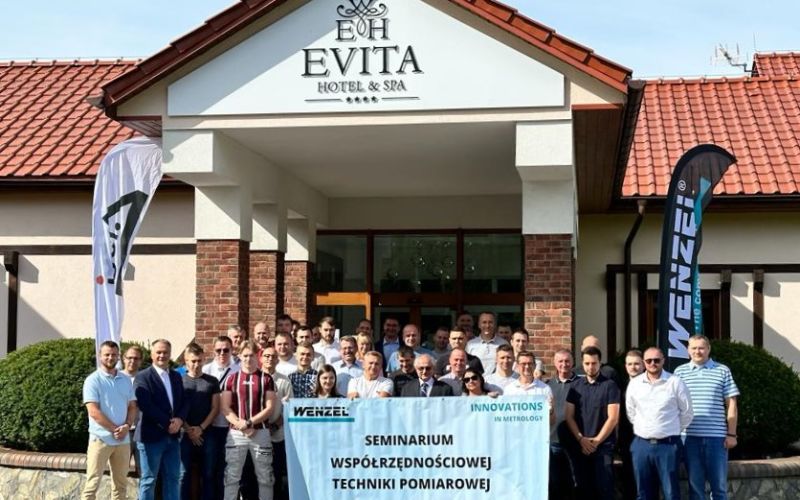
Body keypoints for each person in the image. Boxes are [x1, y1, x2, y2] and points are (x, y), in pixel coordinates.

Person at [674, 334, 740, 500]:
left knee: (719, 489)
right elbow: (673, 405)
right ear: (688, 350)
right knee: (695, 489)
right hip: (689, 438)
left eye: (701, 348)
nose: (698, 351)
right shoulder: (679, 372)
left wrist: (732, 434)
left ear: (708, 349)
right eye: (694, 348)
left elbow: (731, 404)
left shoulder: (722, 370)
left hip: (716, 439)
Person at [626, 347, 693, 500]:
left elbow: (687, 413)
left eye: (656, 360)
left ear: (663, 361)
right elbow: (631, 413)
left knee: (671, 493)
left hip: (668, 446)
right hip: (641, 445)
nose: (653, 363)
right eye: (649, 360)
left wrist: (670, 429)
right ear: (644, 362)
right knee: (643, 493)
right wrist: (647, 428)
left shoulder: (675, 382)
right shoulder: (635, 384)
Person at [221, 341, 277, 500]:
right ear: (239, 356)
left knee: (265, 477)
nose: (248, 359)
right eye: (245, 355)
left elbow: (269, 407)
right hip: (236, 433)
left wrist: (249, 423)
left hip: (261, 432)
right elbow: (225, 407)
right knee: (231, 476)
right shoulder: (231, 379)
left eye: (251, 355)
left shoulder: (266, 379)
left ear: (257, 356)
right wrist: (241, 424)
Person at [81, 341, 137, 500]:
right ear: (100, 356)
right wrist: (114, 429)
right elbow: (93, 411)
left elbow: (132, 407)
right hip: (100, 439)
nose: (110, 358)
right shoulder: (93, 380)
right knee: (92, 485)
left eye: (114, 355)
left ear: (118, 356)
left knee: (121, 486)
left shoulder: (125, 379)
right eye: (107, 354)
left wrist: (127, 426)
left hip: (123, 440)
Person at [134, 339, 189, 500]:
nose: (162, 355)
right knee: (149, 480)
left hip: (173, 438)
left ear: (170, 354)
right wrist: (167, 423)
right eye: (158, 352)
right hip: (151, 437)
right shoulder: (143, 377)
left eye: (165, 352)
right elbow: (145, 405)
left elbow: (184, 402)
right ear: (152, 354)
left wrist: (179, 420)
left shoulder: (176, 376)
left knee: (173, 479)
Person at [564, 346, 620, 500]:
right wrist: (581, 439)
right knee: (584, 489)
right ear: (582, 363)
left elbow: (613, 418)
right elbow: (569, 416)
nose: (590, 367)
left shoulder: (610, 385)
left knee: (605, 490)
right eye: (587, 363)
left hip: (603, 447)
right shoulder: (575, 386)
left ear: (600, 363)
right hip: (581, 446)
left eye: (594, 363)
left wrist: (596, 442)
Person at [180, 343, 220, 500]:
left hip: (207, 433)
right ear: (186, 360)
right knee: (183, 474)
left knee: (208, 474)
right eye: (193, 361)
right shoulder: (179, 381)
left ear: (204, 360)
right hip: (184, 433)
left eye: (199, 361)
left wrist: (201, 428)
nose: (196, 364)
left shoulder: (212, 381)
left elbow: (215, 408)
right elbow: (176, 408)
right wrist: (189, 429)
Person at [201, 335, 240, 499]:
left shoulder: (239, 370)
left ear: (232, 350)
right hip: (210, 427)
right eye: (218, 350)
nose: (222, 353)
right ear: (213, 351)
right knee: (209, 470)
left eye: (226, 350)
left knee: (229, 470)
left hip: (232, 428)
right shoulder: (206, 370)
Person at [261, 344, 293, 500]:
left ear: (277, 360)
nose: (270, 359)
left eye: (273, 356)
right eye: (266, 356)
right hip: (257, 434)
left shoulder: (284, 381)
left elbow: (288, 408)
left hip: (277, 435)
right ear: (261, 358)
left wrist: (274, 426)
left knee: (277, 473)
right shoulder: (255, 378)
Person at [547, 348, 579, 500]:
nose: (564, 364)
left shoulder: (581, 383)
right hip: (553, 441)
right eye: (560, 361)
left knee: (574, 482)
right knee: (555, 484)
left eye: (567, 361)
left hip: (574, 442)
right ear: (555, 363)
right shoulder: (547, 386)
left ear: (572, 363)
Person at [619, 349, 645, 500]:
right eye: (629, 364)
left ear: (643, 365)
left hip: (647, 437)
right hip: (626, 438)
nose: (633, 367)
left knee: (646, 476)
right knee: (628, 475)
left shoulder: (652, 385)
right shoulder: (620, 386)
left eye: (636, 364)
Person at [121, 345, 143, 475]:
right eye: (129, 358)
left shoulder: (145, 378)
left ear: (140, 361)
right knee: (120, 471)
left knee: (144, 471)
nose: (132, 361)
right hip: (122, 431)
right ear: (124, 359)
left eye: (136, 358)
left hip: (142, 430)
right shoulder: (116, 378)